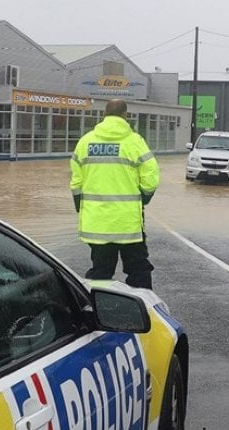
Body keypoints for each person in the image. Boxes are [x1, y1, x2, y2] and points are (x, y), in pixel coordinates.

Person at [70, 99, 159, 289]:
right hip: (128, 223)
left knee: (100, 272)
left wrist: (81, 205)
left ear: (104, 115)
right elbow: (151, 178)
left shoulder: (85, 142)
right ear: (125, 115)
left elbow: (76, 182)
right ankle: (144, 310)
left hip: (97, 222)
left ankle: (97, 311)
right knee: (138, 271)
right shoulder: (135, 142)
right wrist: (142, 199)